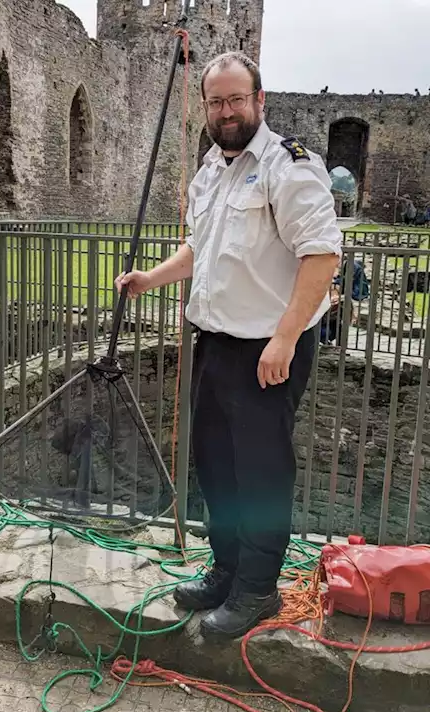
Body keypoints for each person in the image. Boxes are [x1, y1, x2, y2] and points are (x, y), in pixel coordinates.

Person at [115, 51, 343, 639]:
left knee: (261, 471)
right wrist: (150, 279)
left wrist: (286, 339)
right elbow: (201, 249)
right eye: (216, 102)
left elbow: (322, 257)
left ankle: (258, 590)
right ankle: (227, 570)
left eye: (237, 99)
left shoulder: (288, 167)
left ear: (259, 101)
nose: (226, 111)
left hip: (268, 348)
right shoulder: (211, 170)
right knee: (216, 463)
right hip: (214, 343)